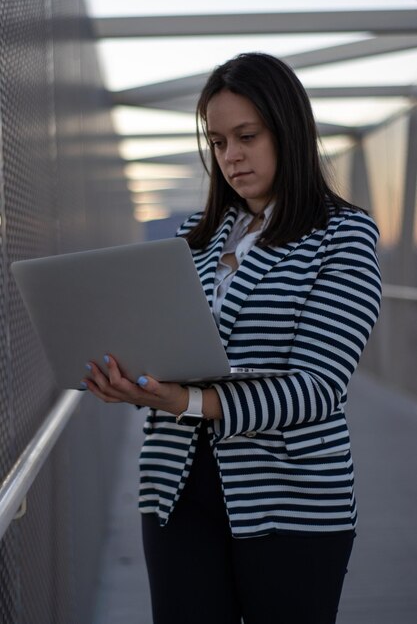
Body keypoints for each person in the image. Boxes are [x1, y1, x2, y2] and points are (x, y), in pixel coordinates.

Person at [83, 53, 382, 624]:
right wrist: (127, 376)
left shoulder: (343, 235)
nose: (231, 157)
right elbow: (165, 347)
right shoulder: (188, 241)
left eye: (247, 136)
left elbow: (319, 387)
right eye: (218, 142)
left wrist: (188, 401)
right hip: (174, 489)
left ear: (289, 130)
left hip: (291, 499)